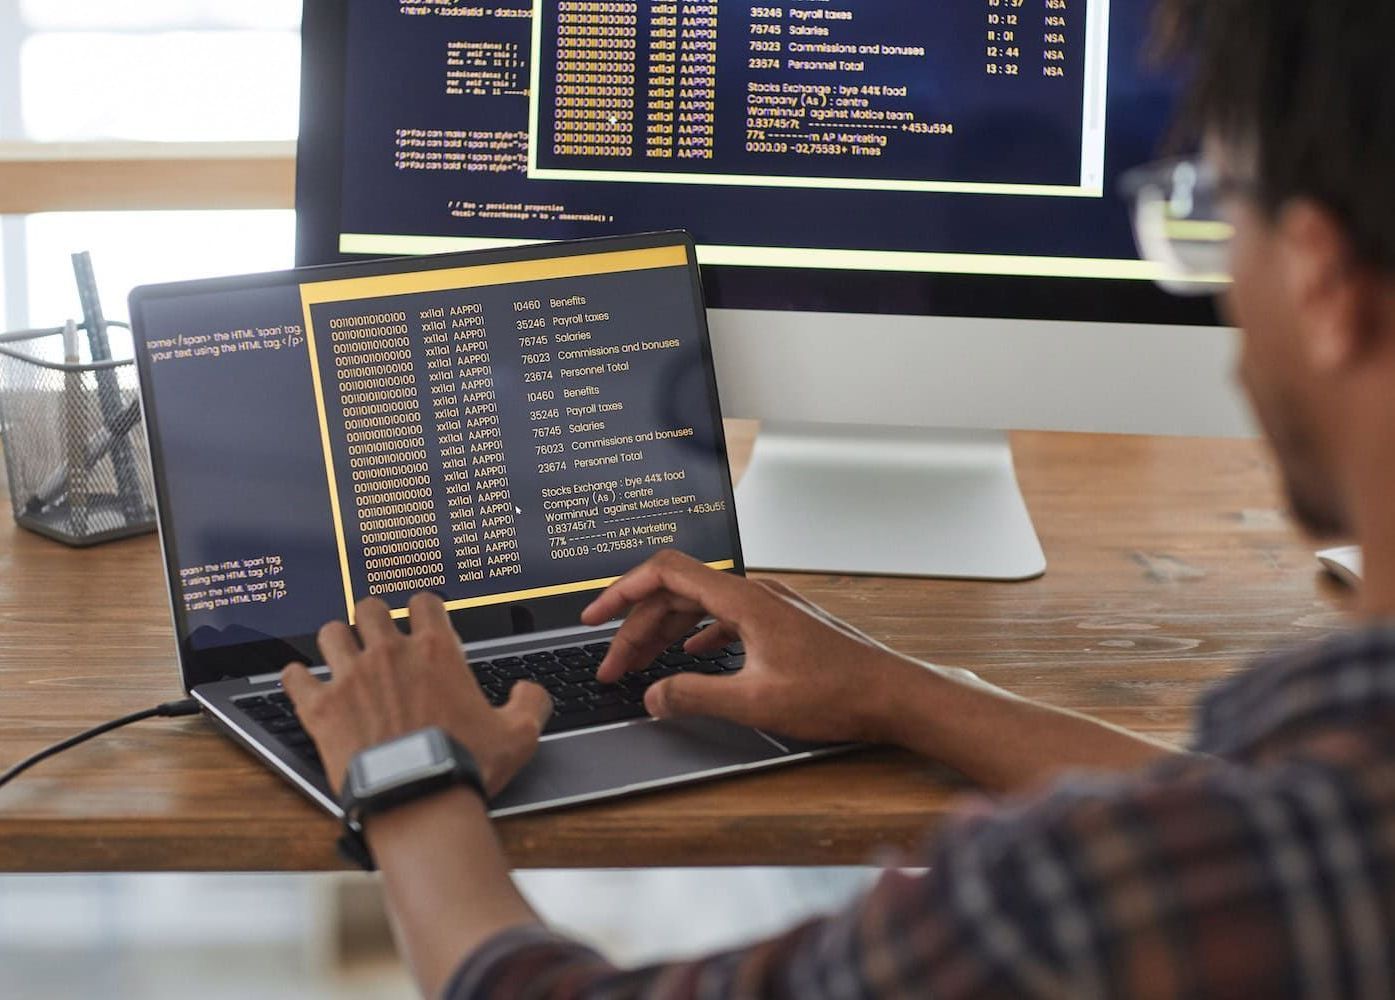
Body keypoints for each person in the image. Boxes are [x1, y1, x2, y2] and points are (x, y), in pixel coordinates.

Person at [282, 0, 1395, 995]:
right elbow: (1243, 825)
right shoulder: (1317, 835)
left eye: (1214, 205)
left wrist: (411, 777)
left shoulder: (1063, 907)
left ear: (1322, 279)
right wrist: (898, 692)